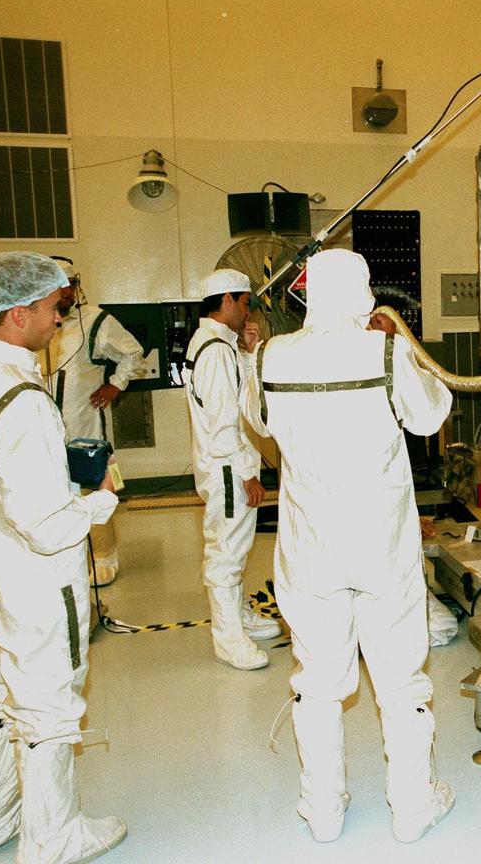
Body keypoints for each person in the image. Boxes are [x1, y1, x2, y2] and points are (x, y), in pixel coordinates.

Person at [241, 249, 454, 843]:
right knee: (401, 679)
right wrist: (401, 351)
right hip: (382, 544)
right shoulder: (384, 351)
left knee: (317, 680)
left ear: (309, 295)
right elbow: (431, 415)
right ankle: (413, 808)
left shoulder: (269, 357)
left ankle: (324, 811)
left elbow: (257, 422)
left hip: (310, 548)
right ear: (363, 294)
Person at [0, 252, 126, 862]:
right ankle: (53, 838)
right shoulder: (20, 395)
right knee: (47, 703)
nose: (58, 321)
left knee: (2, 693)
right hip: (33, 584)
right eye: (51, 310)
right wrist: (98, 503)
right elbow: (45, 527)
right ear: (17, 315)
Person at [183, 268, 282, 670]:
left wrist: (248, 351)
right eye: (244, 302)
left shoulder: (216, 344)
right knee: (226, 552)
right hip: (227, 467)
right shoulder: (216, 351)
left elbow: (232, 394)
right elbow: (225, 423)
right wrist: (248, 473)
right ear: (226, 300)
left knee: (234, 549)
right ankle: (228, 640)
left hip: (222, 463)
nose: (247, 311)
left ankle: (237, 616)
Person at [41, 257, 152, 584]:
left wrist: (115, 385)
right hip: (45, 431)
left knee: (98, 489)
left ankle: (104, 556)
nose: (67, 292)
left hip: (86, 427)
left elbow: (134, 354)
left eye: (71, 285)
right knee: (54, 494)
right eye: (59, 286)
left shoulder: (95, 320)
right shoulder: (35, 325)